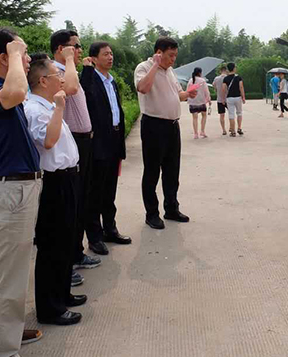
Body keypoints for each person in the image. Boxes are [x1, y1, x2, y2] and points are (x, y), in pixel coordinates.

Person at [0, 28, 43, 357]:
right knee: (5, 278)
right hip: (9, 193)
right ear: (5, 58)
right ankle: (0, 350)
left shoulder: (1, 92)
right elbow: (16, 92)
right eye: (22, 54)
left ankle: (9, 332)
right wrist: (15, 51)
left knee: (15, 274)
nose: (28, 60)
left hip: (19, 190)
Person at [25, 58, 87, 327]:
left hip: (67, 178)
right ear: (42, 81)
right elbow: (48, 141)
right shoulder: (34, 109)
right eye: (56, 76)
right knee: (52, 243)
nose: (62, 79)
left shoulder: (48, 105)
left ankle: (62, 294)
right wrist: (60, 108)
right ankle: (50, 308)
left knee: (65, 240)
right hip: (53, 181)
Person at [50, 31, 104, 266]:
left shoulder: (68, 70)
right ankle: (69, 256)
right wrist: (70, 59)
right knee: (72, 202)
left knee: (83, 197)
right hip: (71, 141)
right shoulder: (55, 72)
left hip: (83, 141)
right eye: (75, 46)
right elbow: (70, 88)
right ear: (60, 49)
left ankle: (76, 252)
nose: (80, 50)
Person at [135, 36, 197, 229]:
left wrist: (188, 94)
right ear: (158, 53)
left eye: (175, 55)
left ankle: (171, 208)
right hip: (154, 126)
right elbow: (143, 88)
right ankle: (151, 214)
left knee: (172, 171)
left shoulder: (170, 71)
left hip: (172, 126)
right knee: (152, 171)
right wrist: (155, 65)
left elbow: (178, 94)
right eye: (170, 55)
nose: (173, 59)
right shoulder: (143, 67)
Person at [80, 42, 131, 252]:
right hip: (99, 141)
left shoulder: (111, 81)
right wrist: (87, 70)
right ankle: (94, 237)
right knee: (96, 191)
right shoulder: (90, 79)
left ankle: (110, 229)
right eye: (105, 54)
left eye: (111, 53)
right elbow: (85, 95)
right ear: (94, 58)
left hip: (114, 138)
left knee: (110, 189)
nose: (110, 57)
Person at [222, 63, 246, 137]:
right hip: (238, 97)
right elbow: (241, 87)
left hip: (229, 98)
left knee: (231, 114)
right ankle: (239, 128)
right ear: (234, 68)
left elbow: (224, 89)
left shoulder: (225, 79)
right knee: (239, 113)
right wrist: (243, 97)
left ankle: (233, 131)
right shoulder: (238, 77)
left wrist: (223, 98)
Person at [187, 67, 211, 139]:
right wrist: (208, 99)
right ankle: (202, 131)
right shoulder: (202, 81)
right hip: (201, 101)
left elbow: (187, 91)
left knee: (195, 118)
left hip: (193, 101)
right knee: (204, 116)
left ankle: (195, 134)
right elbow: (206, 91)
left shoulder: (190, 80)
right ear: (200, 73)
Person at [213, 66, 228, 135]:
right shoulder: (228, 78)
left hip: (219, 99)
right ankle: (232, 127)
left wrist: (217, 90)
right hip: (228, 98)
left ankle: (224, 130)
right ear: (226, 70)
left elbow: (214, 85)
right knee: (231, 114)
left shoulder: (216, 78)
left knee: (222, 115)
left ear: (220, 71)